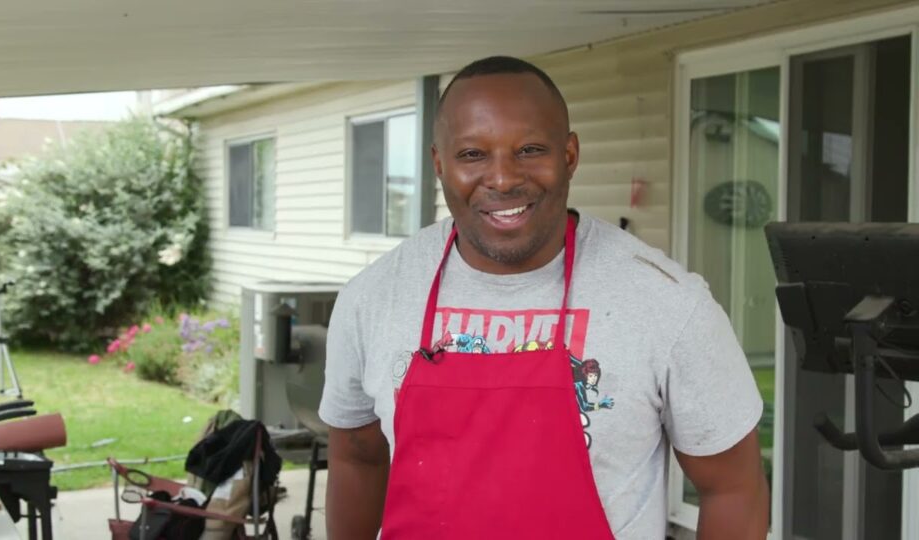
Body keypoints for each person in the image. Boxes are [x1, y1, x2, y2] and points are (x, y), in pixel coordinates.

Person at [318, 56, 769, 539]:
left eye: (530, 149)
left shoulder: (667, 303)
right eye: (473, 154)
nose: (504, 178)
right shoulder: (374, 297)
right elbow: (358, 457)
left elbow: (733, 489)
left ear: (570, 155)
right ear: (438, 163)